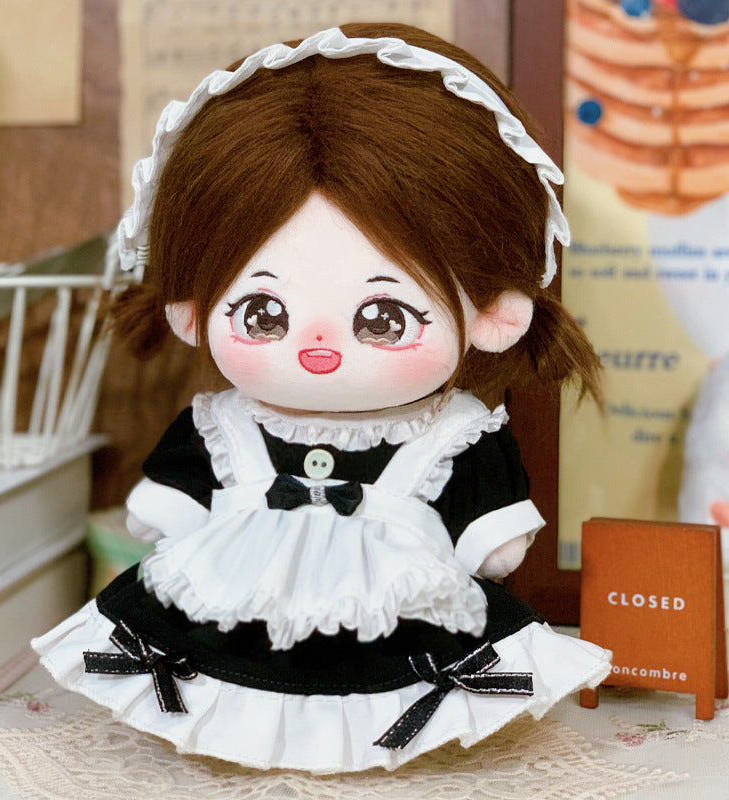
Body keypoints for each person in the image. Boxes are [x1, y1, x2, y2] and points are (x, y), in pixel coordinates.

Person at [33, 23, 611, 772]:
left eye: (384, 317)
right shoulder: (223, 425)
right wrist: (170, 513)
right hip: (226, 631)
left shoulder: (454, 435)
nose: (317, 347)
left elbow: (490, 540)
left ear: (493, 314)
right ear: (191, 311)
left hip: (398, 642)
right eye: (262, 313)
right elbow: (171, 504)